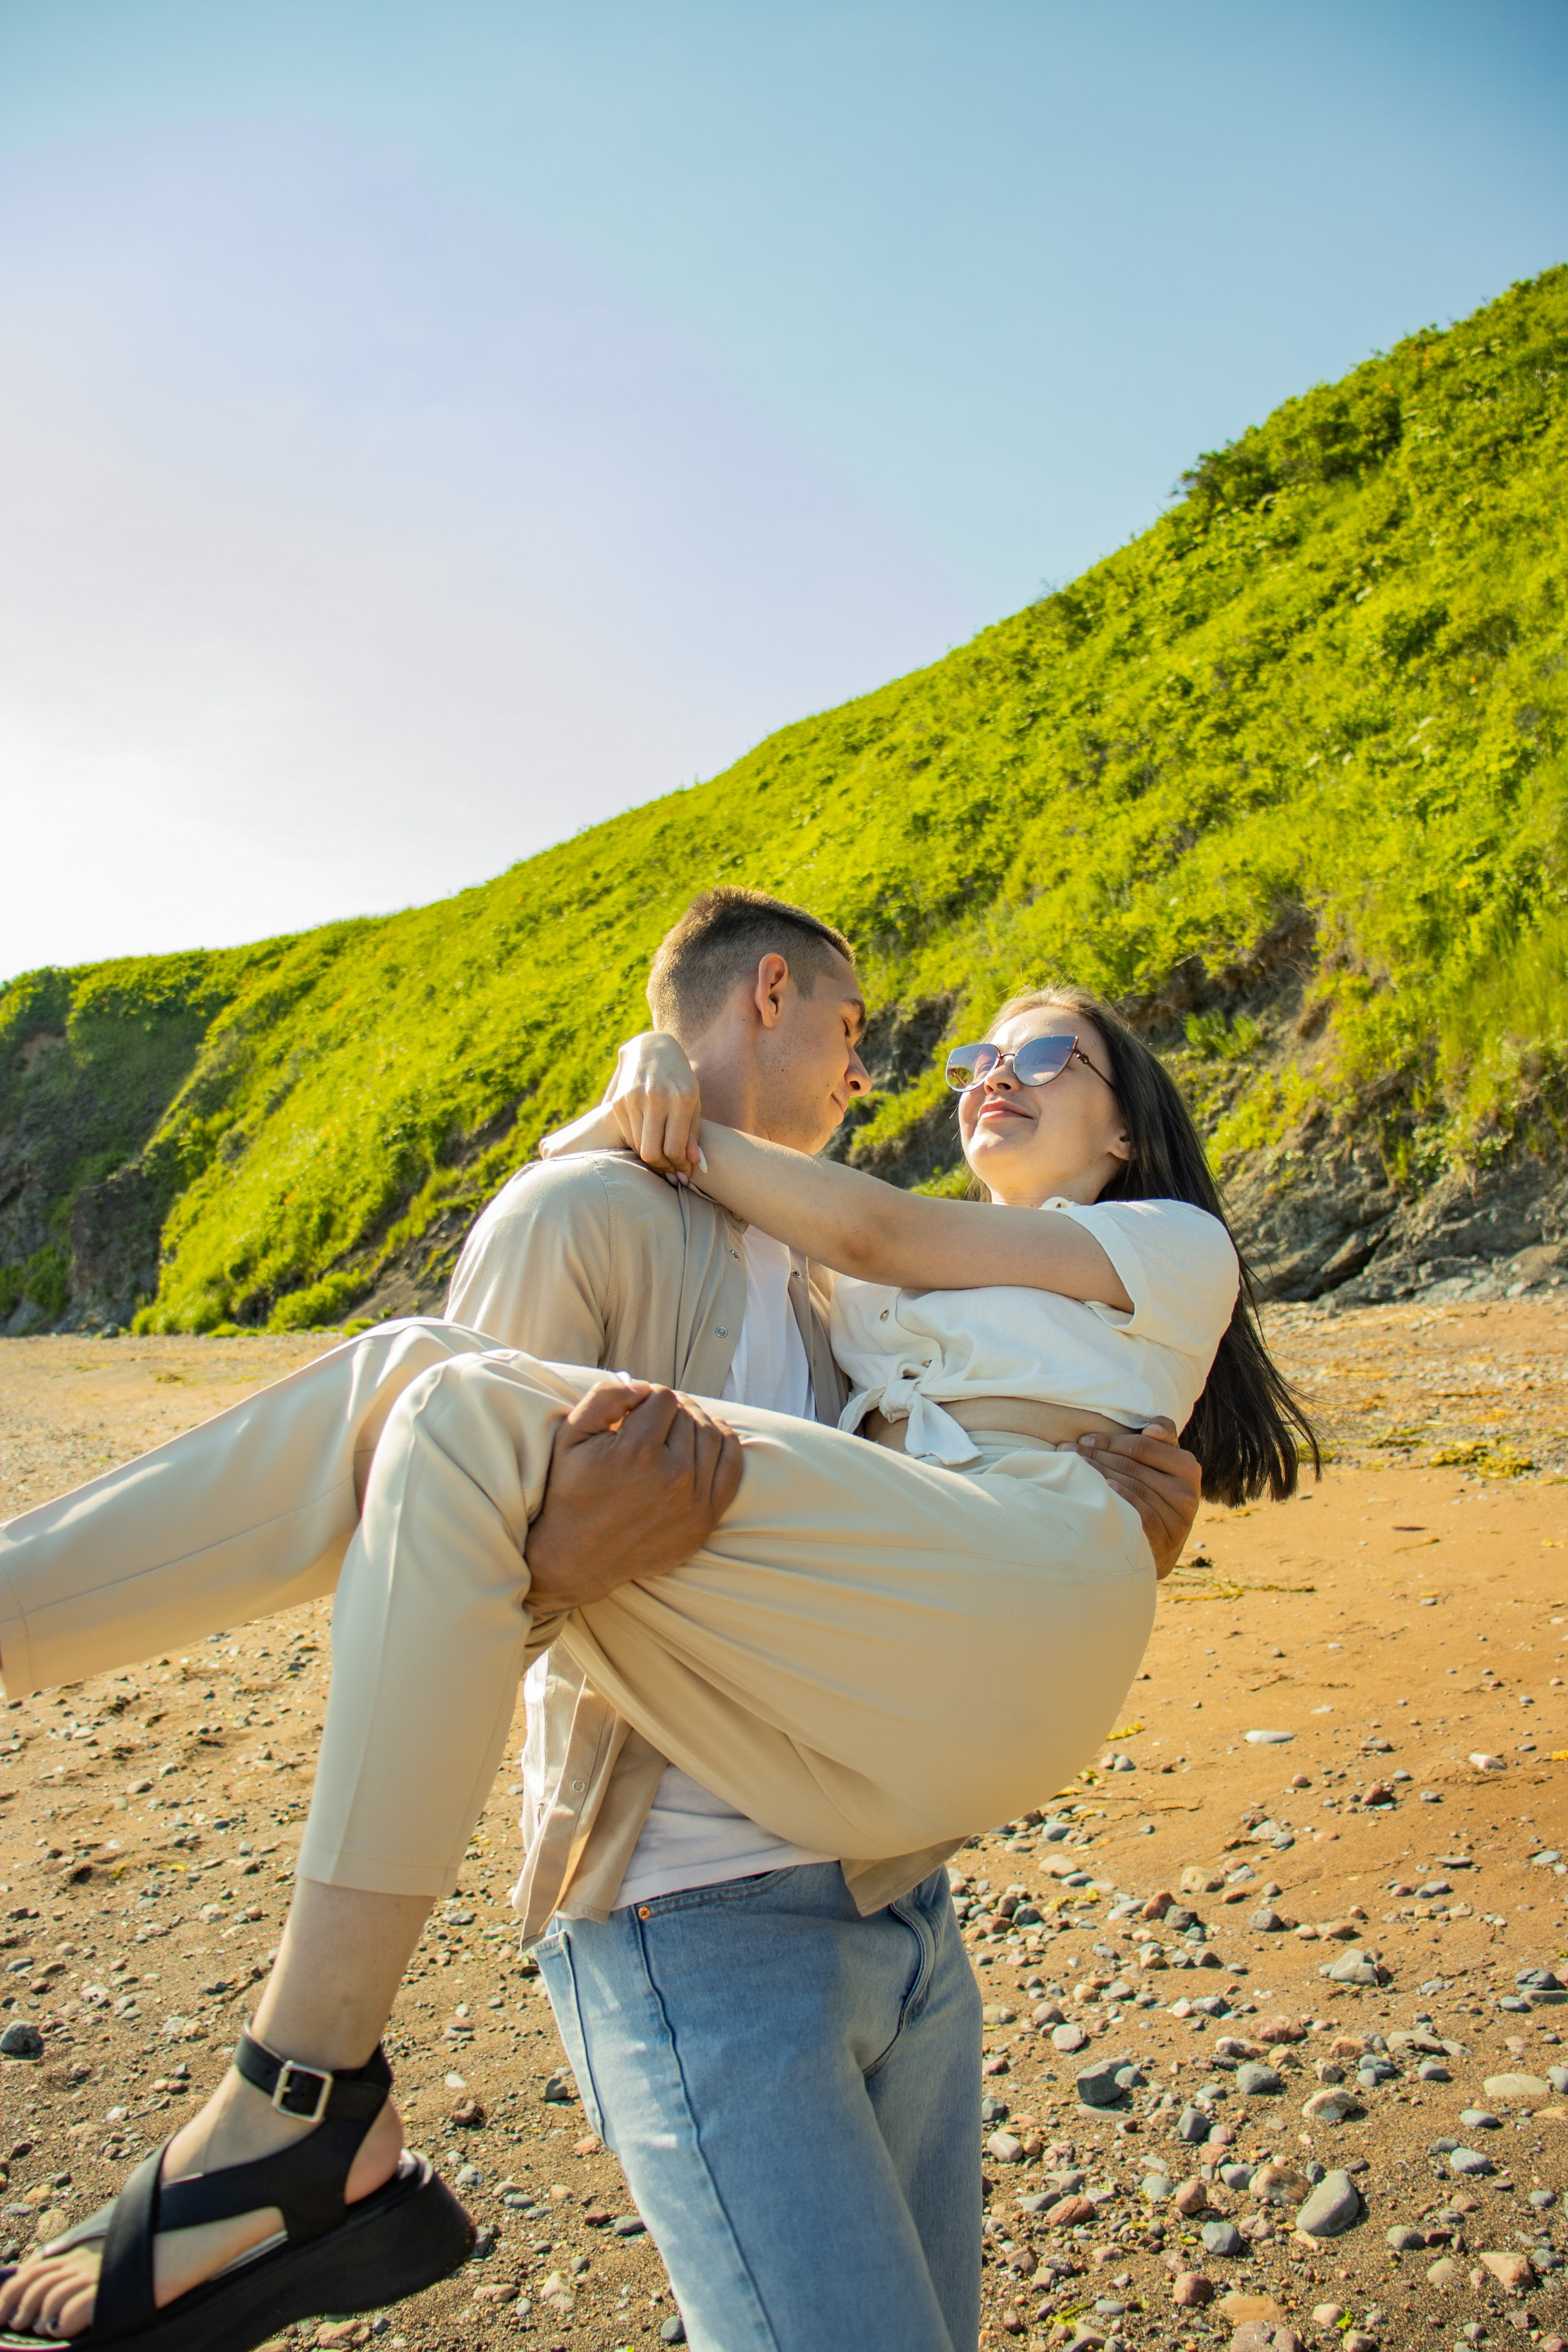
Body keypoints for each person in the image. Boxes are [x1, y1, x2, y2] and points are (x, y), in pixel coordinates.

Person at [0, 895, 1273, 2352]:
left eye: (1036, 1056)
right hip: (707, 1899)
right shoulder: (618, 1220)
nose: (904, 1073)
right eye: (917, 1045)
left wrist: (650, 1103)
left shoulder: (1013, 1253)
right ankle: (294, 2091)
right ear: (770, 992)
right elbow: (442, 1559)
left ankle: (302, 2097)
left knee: (447, 1396)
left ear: (1125, 1129)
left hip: (906, 1829)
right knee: (438, 1396)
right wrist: (641, 1088)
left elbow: (885, 1255)